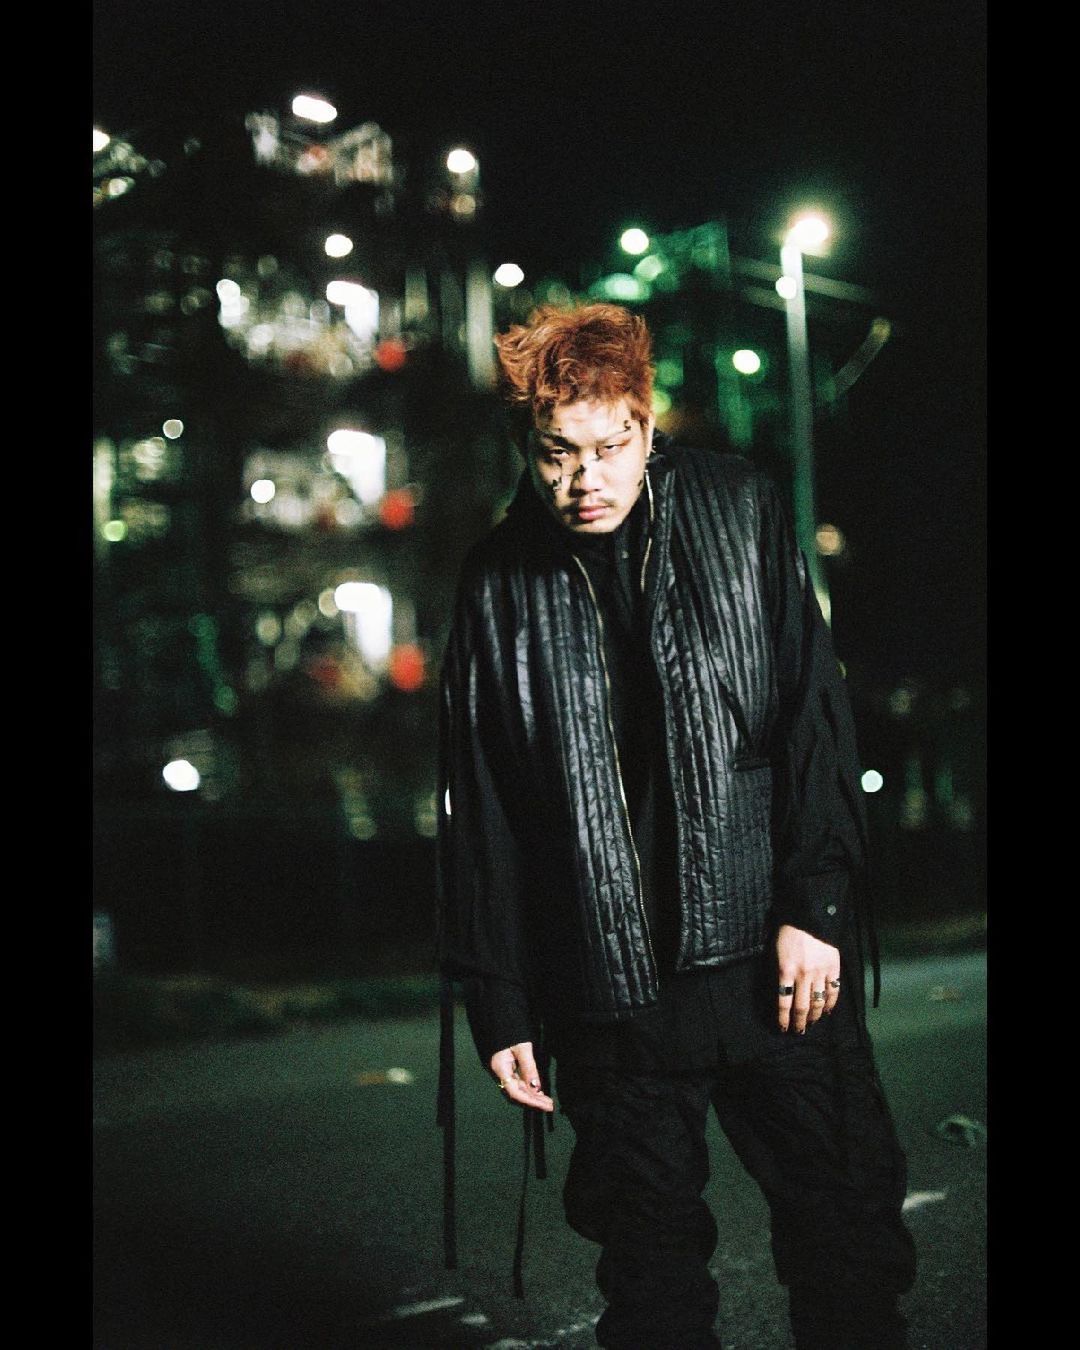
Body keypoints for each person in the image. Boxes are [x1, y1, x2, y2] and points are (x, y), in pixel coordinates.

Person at [435, 302, 916, 1349]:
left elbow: (812, 717)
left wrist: (816, 906)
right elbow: (485, 810)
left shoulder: (738, 508)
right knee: (650, 1282)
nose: (587, 477)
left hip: (774, 967)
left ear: (648, 428)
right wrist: (499, 997)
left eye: (612, 446)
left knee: (846, 1237)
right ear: (527, 445)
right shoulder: (496, 582)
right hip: (610, 990)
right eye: (558, 452)